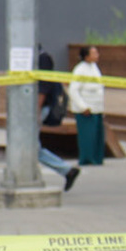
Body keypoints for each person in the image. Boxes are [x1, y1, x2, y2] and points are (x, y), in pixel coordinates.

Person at [35, 58, 81, 192]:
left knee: (30, 146)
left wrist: (36, 111)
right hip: (31, 109)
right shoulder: (32, 57)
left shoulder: (42, 58)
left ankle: (66, 170)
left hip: (39, 109)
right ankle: (67, 171)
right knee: (31, 146)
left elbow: (43, 88)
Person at [69, 45, 106, 166]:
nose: (97, 55)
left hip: (97, 108)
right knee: (87, 136)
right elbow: (73, 90)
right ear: (86, 56)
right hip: (86, 109)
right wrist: (82, 107)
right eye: (94, 53)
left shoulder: (95, 67)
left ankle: (97, 158)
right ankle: (87, 159)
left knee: (97, 136)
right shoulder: (80, 70)